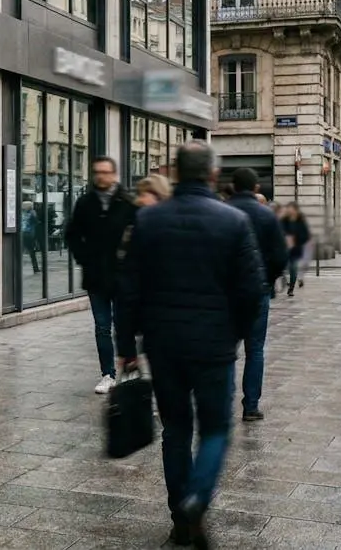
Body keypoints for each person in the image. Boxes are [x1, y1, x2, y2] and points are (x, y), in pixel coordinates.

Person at [116, 142, 265, 547]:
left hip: (163, 344)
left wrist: (126, 344)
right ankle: (197, 499)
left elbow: (127, 290)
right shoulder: (233, 221)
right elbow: (253, 291)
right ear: (213, 176)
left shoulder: (148, 221)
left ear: (177, 174)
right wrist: (235, 331)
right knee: (216, 428)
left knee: (176, 429)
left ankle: (179, 515)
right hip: (214, 346)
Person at [66, 157, 138, 395]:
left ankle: (129, 368)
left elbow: (139, 236)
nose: (101, 176)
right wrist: (84, 258)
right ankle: (107, 373)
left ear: (114, 175)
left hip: (122, 276)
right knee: (102, 326)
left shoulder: (127, 202)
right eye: (97, 172)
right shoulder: (85, 203)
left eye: (105, 172)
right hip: (96, 276)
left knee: (124, 324)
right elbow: (73, 235)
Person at [225, 168, 288, 423]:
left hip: (226, 292)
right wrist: (267, 280)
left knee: (227, 348)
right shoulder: (266, 215)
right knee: (256, 350)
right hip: (257, 291)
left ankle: (224, 400)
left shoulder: (221, 211)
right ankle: (251, 405)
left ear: (232, 185)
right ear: (256, 188)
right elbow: (281, 255)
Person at [281, 203, 311, 297]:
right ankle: (288, 281)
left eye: (291, 209)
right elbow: (279, 232)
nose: (290, 211)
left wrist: (296, 240)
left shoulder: (301, 221)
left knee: (293, 268)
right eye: (288, 209)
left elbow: (306, 236)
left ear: (296, 210)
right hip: (284, 249)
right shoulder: (283, 221)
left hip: (296, 249)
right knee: (283, 268)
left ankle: (291, 288)